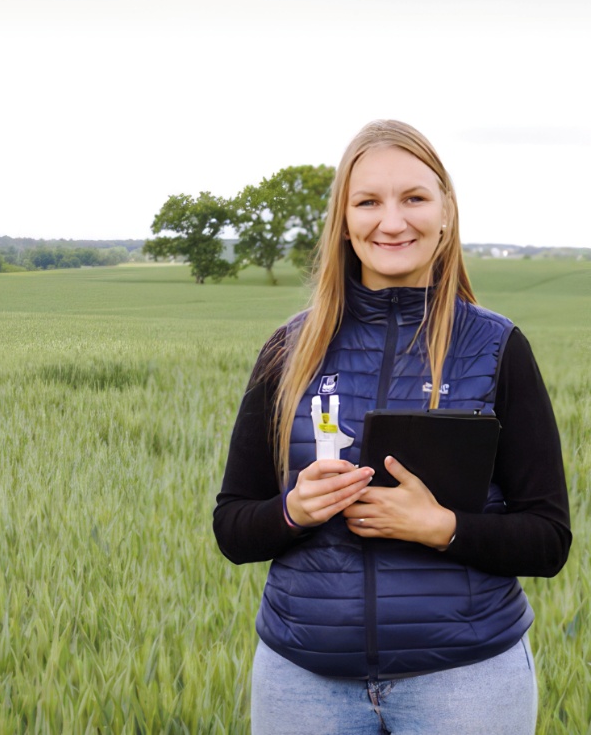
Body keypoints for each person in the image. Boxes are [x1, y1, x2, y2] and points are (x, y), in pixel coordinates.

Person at [213, 120, 571, 735]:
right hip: (302, 685)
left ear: (446, 211)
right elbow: (233, 527)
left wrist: (441, 528)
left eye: (414, 198)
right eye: (368, 201)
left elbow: (549, 537)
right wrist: (294, 510)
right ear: (344, 220)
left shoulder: (497, 346)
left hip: (466, 683)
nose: (392, 221)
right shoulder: (288, 350)